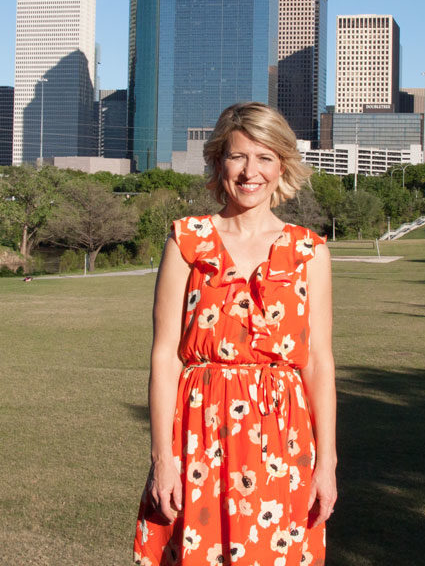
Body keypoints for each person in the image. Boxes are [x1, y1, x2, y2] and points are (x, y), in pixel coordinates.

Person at [133, 102, 337, 566]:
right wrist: (163, 458)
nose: (250, 172)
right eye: (238, 156)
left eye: (264, 158)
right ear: (218, 162)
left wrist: (327, 463)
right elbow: (164, 356)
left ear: (282, 165)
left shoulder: (310, 251)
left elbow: (319, 363)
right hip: (198, 435)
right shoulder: (187, 239)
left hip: (282, 442)